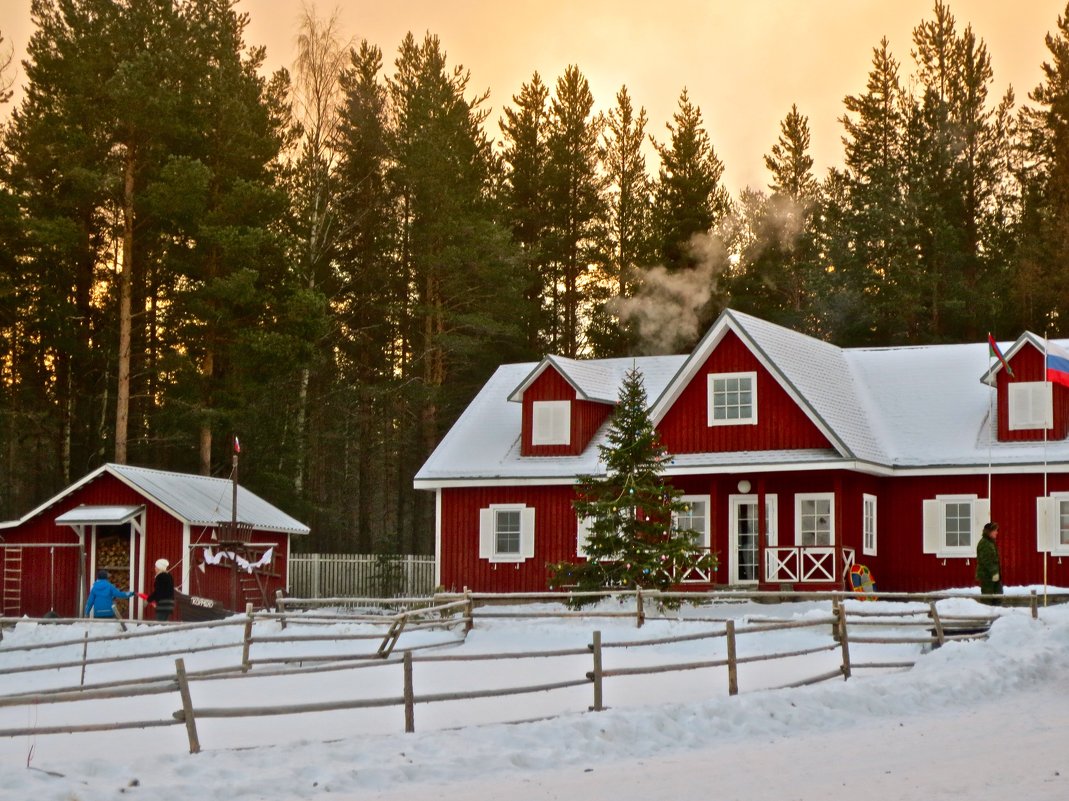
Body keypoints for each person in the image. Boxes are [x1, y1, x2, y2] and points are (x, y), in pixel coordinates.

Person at [975, 521, 1003, 605]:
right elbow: (987, 560)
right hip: (987, 576)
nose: (997, 533)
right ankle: (987, 616)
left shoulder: (990, 542)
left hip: (992, 576)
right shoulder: (985, 543)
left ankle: (995, 614)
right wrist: (994, 573)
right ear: (989, 532)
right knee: (987, 599)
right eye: (995, 530)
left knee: (998, 596)